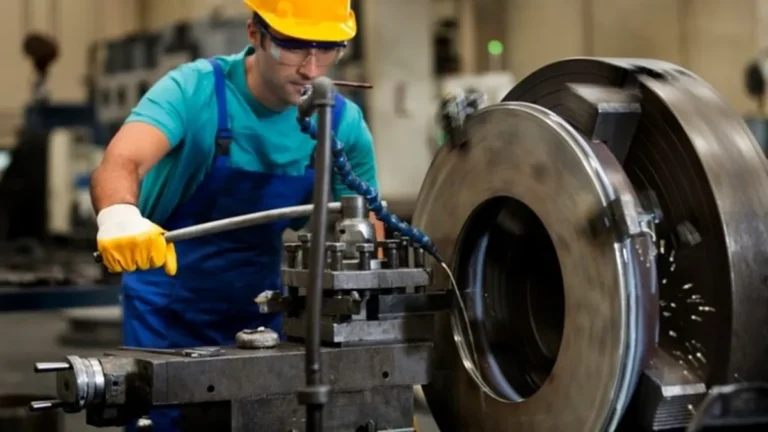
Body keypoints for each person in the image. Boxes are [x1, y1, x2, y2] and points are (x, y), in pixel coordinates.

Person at [90, 1, 378, 430]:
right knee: (164, 418)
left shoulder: (342, 124)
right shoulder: (194, 91)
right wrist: (117, 215)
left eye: (328, 49)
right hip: (167, 310)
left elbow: (364, 222)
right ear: (254, 34)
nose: (311, 67)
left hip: (261, 308)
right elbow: (121, 161)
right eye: (293, 47)